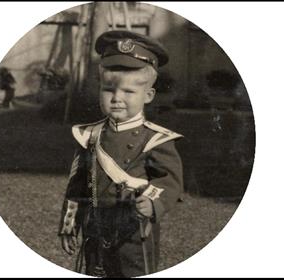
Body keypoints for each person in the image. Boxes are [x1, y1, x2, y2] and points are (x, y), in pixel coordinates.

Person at [58, 30, 184, 277]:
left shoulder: (156, 139)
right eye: (108, 90)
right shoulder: (89, 136)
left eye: (128, 92)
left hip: (134, 231)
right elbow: (76, 186)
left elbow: (169, 182)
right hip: (94, 227)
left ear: (148, 95)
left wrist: (152, 202)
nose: (116, 98)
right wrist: (68, 225)